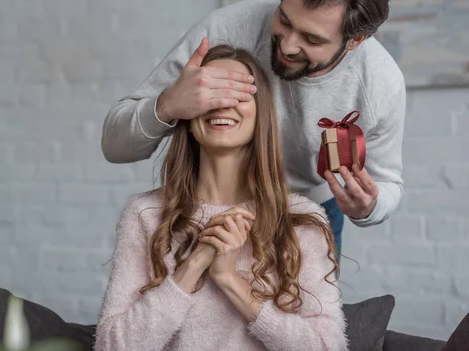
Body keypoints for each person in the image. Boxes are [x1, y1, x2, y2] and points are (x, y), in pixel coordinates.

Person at [100, 0, 406, 257]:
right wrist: (166, 106)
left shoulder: (380, 83)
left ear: (356, 40)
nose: (287, 45)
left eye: (312, 40)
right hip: (211, 206)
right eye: (284, 19)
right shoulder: (225, 28)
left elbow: (387, 182)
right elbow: (115, 147)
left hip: (308, 212)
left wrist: (368, 206)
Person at [94, 45, 348, 351]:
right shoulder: (145, 214)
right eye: (210, 93)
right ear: (187, 112)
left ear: (261, 113)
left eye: (239, 93)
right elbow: (111, 347)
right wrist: (194, 265)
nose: (222, 104)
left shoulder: (301, 220)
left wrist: (229, 280)